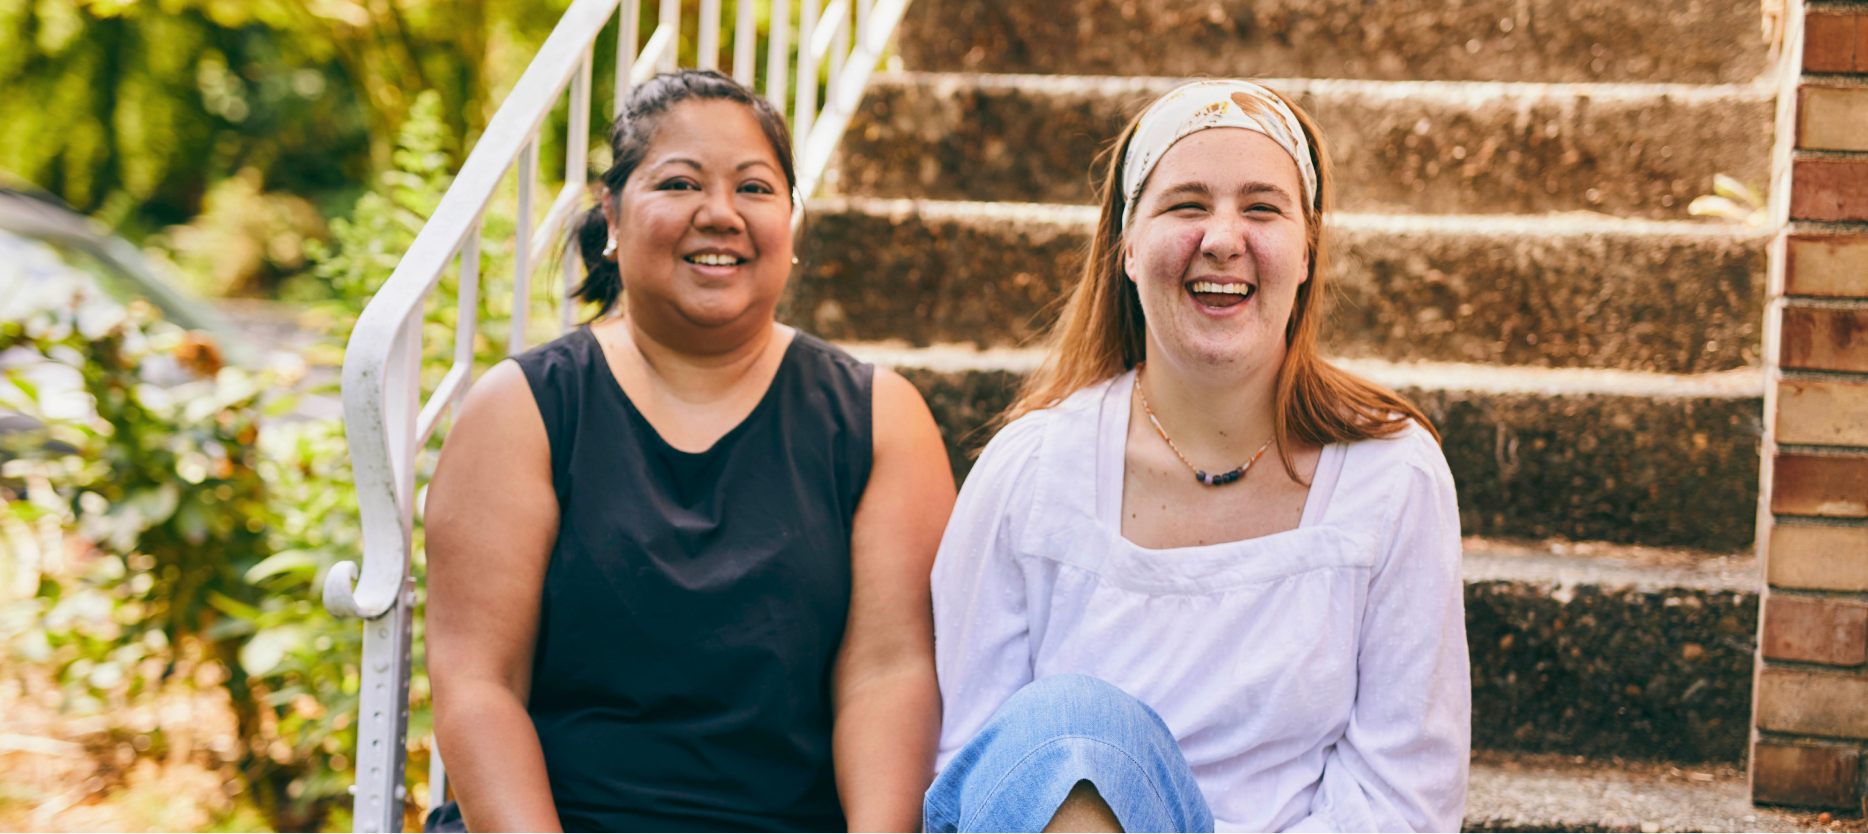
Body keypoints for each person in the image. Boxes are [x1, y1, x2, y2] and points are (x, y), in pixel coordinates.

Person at [926, 80, 1470, 834]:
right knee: (1068, 729)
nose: (1222, 238)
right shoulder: (1031, 471)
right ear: (1126, 248)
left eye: (1261, 208)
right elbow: (980, 764)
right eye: (1186, 205)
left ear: (1306, 250)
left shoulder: (1391, 475)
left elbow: (1404, 797)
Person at [421, 70, 952, 834]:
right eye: (679, 183)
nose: (721, 214)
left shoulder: (879, 419)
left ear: (791, 222)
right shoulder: (524, 410)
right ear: (611, 214)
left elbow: (888, 674)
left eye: (756, 188)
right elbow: (478, 686)